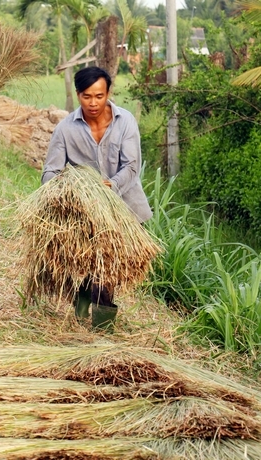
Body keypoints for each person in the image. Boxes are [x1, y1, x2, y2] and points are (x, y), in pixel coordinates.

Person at [41, 66, 152, 331]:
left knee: (107, 269)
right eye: (87, 96)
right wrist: (69, 189)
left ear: (108, 93)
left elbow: (132, 167)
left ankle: (101, 329)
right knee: (86, 264)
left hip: (124, 207)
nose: (93, 103)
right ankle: (84, 314)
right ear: (78, 94)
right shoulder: (65, 129)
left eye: (99, 96)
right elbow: (50, 172)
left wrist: (110, 186)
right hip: (82, 211)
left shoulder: (125, 122)